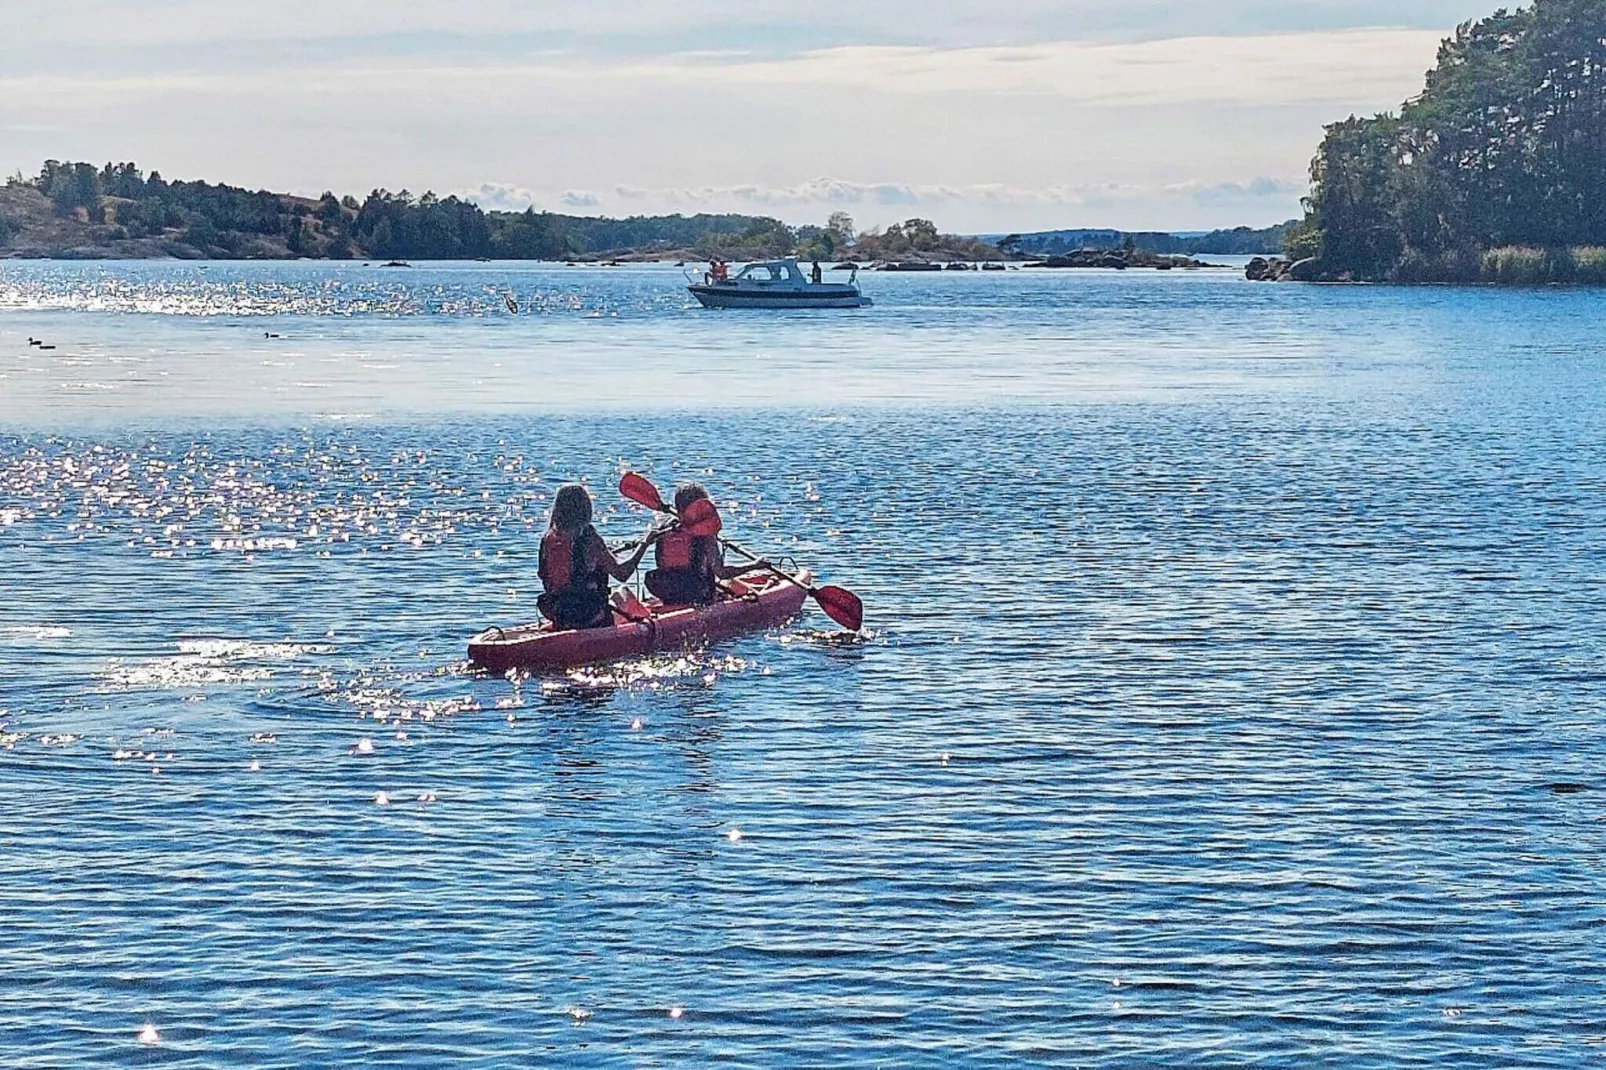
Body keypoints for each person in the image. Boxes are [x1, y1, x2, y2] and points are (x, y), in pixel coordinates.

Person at [538, 484, 652, 630]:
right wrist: (644, 544)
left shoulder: (548, 539)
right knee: (622, 593)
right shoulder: (589, 538)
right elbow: (622, 573)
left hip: (557, 609)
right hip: (586, 613)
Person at [644, 482, 761, 605]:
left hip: (666, 590)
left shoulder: (664, 528)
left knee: (660, 576)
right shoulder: (705, 532)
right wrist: (755, 565)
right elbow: (721, 572)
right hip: (696, 592)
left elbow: (660, 563)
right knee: (705, 580)